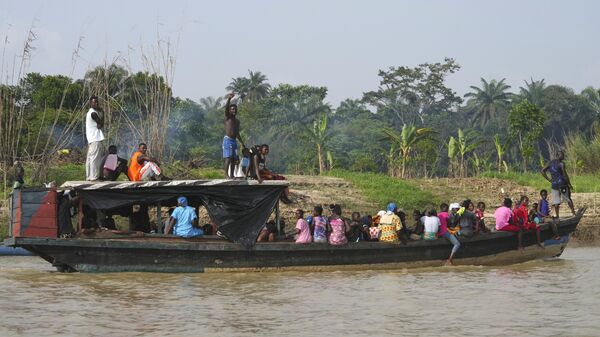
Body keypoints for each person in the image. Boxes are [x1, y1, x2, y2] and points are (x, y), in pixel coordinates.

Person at [541, 150, 576, 218]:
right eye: (562, 155)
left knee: (556, 202)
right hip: (562, 184)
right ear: (557, 156)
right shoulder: (561, 163)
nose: (563, 156)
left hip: (554, 185)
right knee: (568, 199)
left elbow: (542, 171)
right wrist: (569, 184)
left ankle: (557, 216)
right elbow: (565, 175)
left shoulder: (550, 163)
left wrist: (549, 179)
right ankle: (574, 213)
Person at [223, 93, 245, 179]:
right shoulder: (228, 118)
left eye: (235, 109)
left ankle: (232, 175)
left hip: (234, 141)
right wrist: (229, 99)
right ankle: (226, 175)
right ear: (229, 110)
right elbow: (226, 108)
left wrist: (242, 142)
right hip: (228, 140)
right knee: (228, 157)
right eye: (232, 109)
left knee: (234, 159)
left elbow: (237, 133)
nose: (234, 110)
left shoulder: (237, 121)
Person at [85, 96, 105, 181]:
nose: (96, 103)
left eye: (97, 102)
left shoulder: (89, 113)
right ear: (90, 103)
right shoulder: (93, 113)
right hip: (95, 139)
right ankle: (93, 177)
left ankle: (89, 176)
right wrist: (103, 113)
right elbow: (101, 124)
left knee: (90, 158)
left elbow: (99, 125)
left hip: (92, 139)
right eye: (94, 102)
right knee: (94, 159)